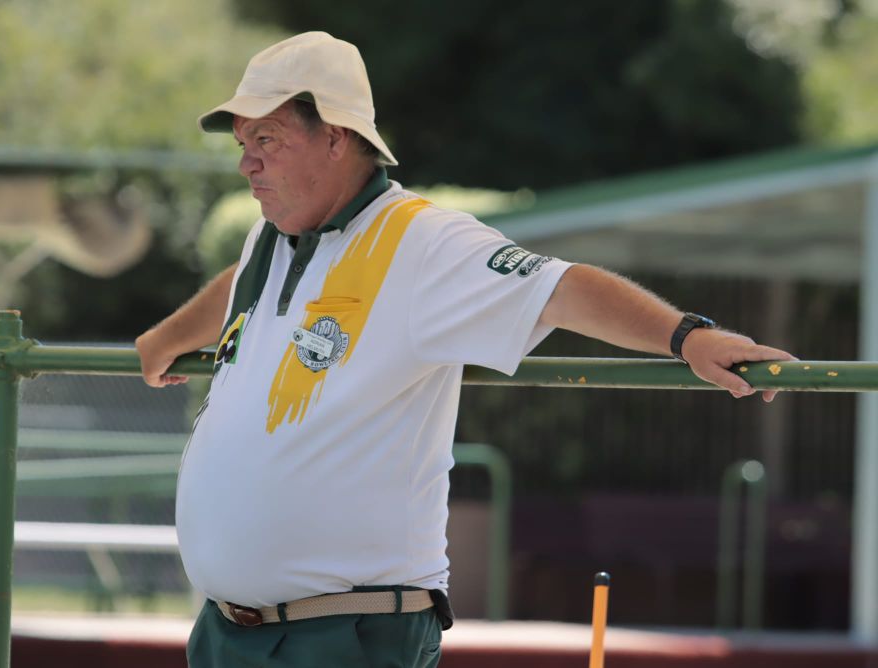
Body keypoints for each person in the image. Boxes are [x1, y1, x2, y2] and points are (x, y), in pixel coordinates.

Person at [135, 31, 795, 668]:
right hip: (231, 633)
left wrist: (688, 337)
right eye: (243, 142)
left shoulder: (422, 242)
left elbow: (561, 288)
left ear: (335, 137)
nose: (246, 163)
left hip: (345, 635)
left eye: (266, 140)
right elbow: (242, 288)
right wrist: (169, 337)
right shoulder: (273, 237)